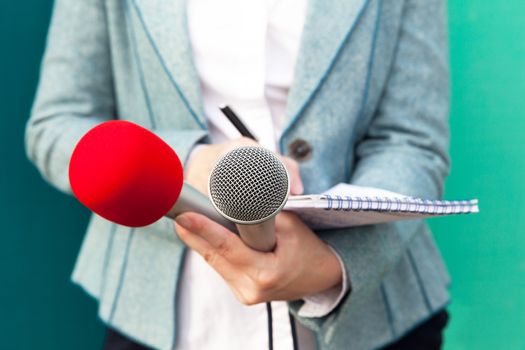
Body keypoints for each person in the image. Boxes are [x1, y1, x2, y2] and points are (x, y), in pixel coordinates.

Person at [26, 0, 451, 349]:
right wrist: (189, 165)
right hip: (160, 315)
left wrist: (335, 266)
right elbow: (57, 126)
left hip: (376, 317)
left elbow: (411, 140)